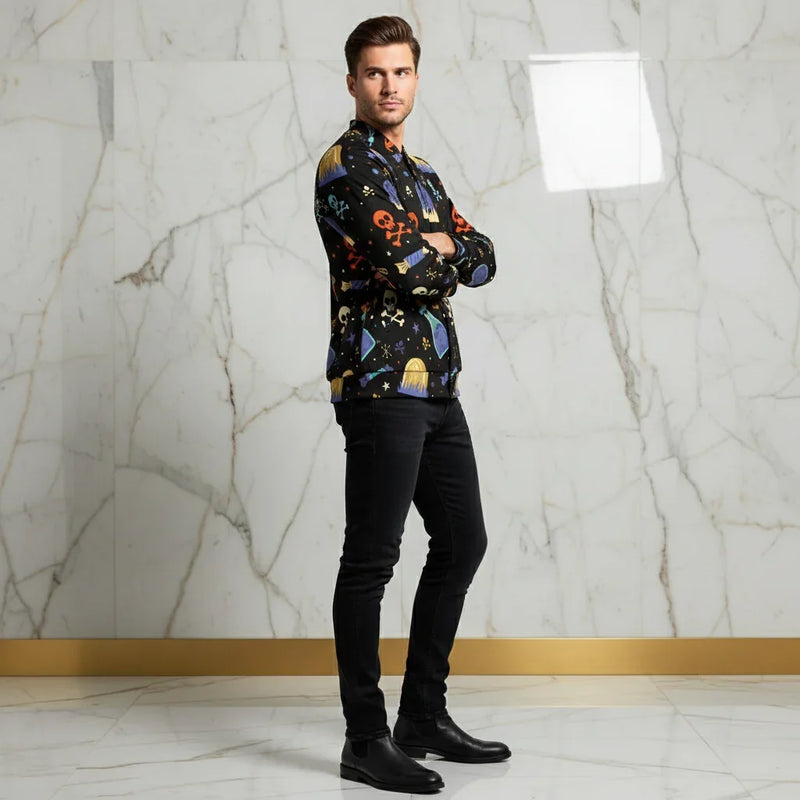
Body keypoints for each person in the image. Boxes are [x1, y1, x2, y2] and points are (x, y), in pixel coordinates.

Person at [314, 15, 510, 794]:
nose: (388, 85)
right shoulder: (345, 168)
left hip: (437, 387)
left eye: (400, 72)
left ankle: (421, 716)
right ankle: (365, 737)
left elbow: (484, 257)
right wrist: (437, 252)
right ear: (354, 82)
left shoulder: (421, 174)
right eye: (374, 72)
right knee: (372, 560)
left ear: (415, 78)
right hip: (378, 385)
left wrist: (443, 248)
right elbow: (412, 273)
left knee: (463, 541)